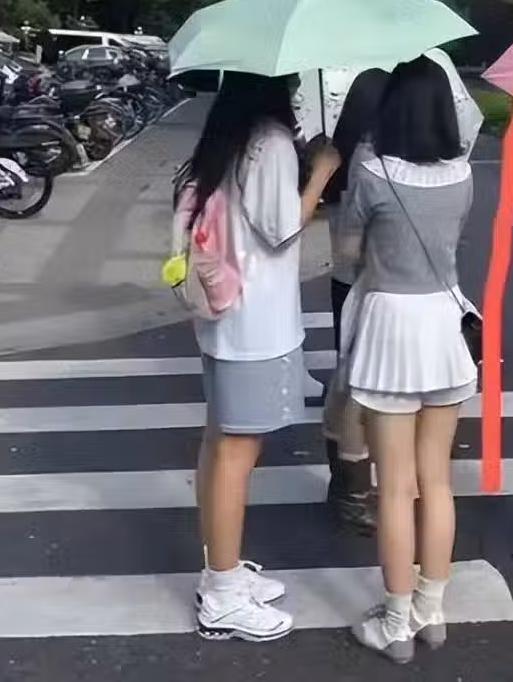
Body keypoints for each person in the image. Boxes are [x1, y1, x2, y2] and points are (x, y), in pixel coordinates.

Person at [180, 71, 341, 642]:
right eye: (291, 82)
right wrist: (321, 172)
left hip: (225, 316)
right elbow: (281, 229)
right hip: (255, 323)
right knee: (236, 453)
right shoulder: (269, 142)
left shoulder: (228, 135)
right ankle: (223, 595)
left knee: (218, 443)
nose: (297, 90)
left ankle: (219, 572)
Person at [338, 56, 477, 663]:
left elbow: (347, 253)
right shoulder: (463, 175)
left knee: (394, 487)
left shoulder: (371, 174)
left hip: (389, 328)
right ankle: (432, 610)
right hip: (444, 327)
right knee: (436, 481)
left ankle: (395, 622)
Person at [320, 68, 390, 534]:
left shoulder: (340, 156)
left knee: (347, 380)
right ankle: (353, 491)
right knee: (362, 388)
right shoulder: (372, 161)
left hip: (344, 283)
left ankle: (344, 486)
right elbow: (355, 245)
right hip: (370, 282)